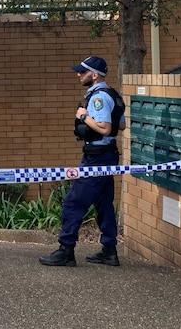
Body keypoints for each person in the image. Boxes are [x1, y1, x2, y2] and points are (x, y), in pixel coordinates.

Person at [39, 55, 126, 267]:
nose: (79, 74)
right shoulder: (113, 94)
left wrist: (83, 116)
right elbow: (120, 127)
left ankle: (65, 251)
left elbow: (105, 128)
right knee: (103, 203)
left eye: (83, 71)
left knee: (73, 202)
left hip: (97, 158)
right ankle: (109, 251)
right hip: (108, 155)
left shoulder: (98, 97)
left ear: (94, 75)